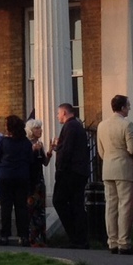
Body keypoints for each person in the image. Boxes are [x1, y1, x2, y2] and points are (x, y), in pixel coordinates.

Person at [99, 95, 133, 254]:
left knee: (110, 206)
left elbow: (101, 151)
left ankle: (112, 242)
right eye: (128, 106)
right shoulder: (127, 124)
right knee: (125, 206)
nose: (129, 108)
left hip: (108, 168)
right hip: (123, 168)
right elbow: (132, 149)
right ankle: (124, 242)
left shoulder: (102, 125)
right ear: (122, 108)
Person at [52, 103, 91, 248]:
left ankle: (75, 235)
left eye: (58, 113)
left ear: (64, 112)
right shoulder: (76, 126)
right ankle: (80, 238)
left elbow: (67, 150)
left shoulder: (70, 127)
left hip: (70, 172)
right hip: (78, 171)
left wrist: (60, 169)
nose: (57, 116)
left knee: (59, 201)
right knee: (76, 203)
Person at [0, 116, 34, 244]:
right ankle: (23, 235)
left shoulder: (3, 142)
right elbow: (31, 161)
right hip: (21, 176)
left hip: (5, 176)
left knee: (6, 207)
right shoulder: (26, 143)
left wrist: (3, 165)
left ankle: (5, 235)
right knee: (21, 207)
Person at [24, 119, 50, 247]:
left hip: (39, 180)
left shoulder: (40, 144)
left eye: (40, 128)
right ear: (30, 131)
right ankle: (30, 238)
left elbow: (45, 162)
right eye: (37, 128)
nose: (40, 130)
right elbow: (25, 162)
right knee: (31, 209)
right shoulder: (27, 144)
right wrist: (33, 150)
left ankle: (41, 239)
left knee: (40, 210)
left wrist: (50, 152)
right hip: (30, 180)